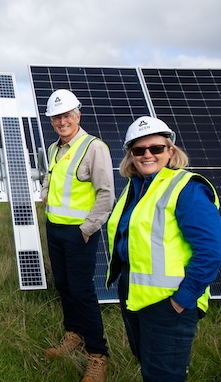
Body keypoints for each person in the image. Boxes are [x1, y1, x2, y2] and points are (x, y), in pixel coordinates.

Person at [106, 116, 221, 381]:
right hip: (135, 294)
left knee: (164, 375)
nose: (147, 155)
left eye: (156, 148)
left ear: (170, 151)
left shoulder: (187, 188)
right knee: (148, 364)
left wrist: (181, 300)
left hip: (169, 303)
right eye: (139, 150)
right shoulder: (136, 188)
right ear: (131, 155)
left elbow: (210, 251)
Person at [41, 89, 114, 382]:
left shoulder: (94, 147)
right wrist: (45, 196)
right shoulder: (52, 148)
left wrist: (87, 229)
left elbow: (106, 194)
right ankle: (74, 335)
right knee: (63, 285)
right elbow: (50, 177)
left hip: (80, 233)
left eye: (67, 115)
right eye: (56, 117)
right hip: (54, 228)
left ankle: (98, 355)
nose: (62, 121)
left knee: (82, 291)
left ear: (77, 115)